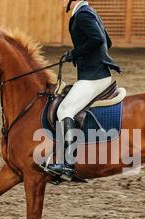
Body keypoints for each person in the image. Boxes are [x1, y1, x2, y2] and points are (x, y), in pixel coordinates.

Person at [46, 0, 122, 180]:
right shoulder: (89, 11)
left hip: (94, 77)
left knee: (65, 110)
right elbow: (107, 41)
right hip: (94, 73)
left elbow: (97, 39)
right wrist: (80, 54)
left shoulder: (83, 14)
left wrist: (75, 53)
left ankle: (67, 165)